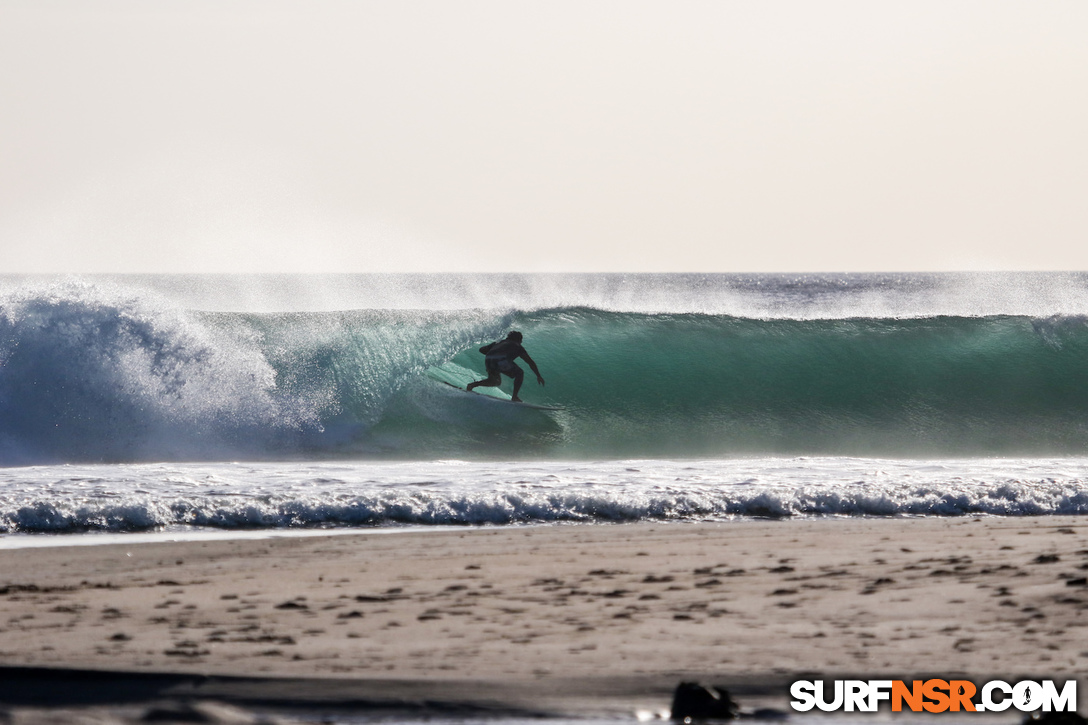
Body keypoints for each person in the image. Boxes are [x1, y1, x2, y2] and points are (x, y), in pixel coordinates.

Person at [466, 330, 545, 402]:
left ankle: (472, 385)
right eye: (521, 340)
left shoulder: (499, 342)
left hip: (489, 359)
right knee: (520, 373)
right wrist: (538, 375)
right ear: (518, 340)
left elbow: (482, 350)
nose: (521, 342)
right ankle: (514, 397)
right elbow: (530, 362)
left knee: (495, 381)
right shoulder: (517, 346)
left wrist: (494, 355)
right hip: (500, 360)